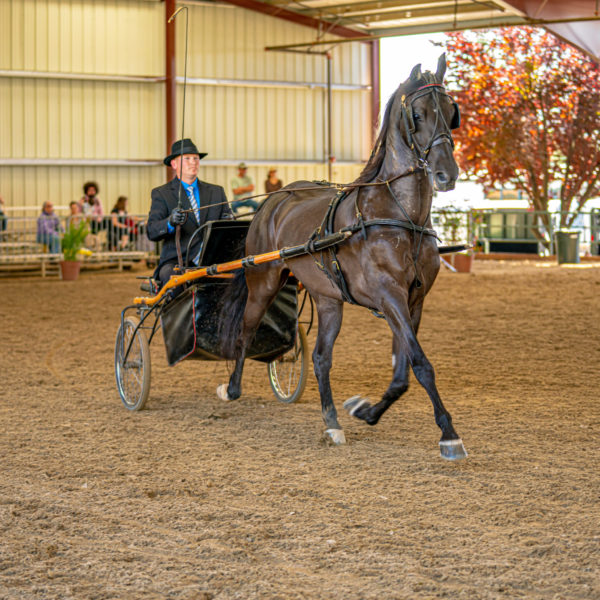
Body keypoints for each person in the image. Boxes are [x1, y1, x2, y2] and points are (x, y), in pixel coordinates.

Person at [147, 138, 232, 290]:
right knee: (170, 276)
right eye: (187, 159)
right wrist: (169, 222)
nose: (193, 162)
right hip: (177, 261)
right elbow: (152, 231)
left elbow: (228, 221)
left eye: (195, 158)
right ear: (174, 164)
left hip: (214, 260)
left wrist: (228, 221)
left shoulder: (216, 192)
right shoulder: (162, 193)